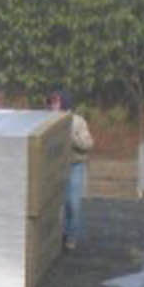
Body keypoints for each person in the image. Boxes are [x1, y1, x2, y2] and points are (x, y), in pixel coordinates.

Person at [49, 90, 93, 251]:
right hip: (55, 167)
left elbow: (88, 144)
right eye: (51, 102)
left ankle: (71, 236)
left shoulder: (78, 122)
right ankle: (60, 235)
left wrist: (72, 137)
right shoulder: (47, 122)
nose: (52, 105)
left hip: (74, 166)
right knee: (56, 204)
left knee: (72, 204)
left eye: (56, 102)